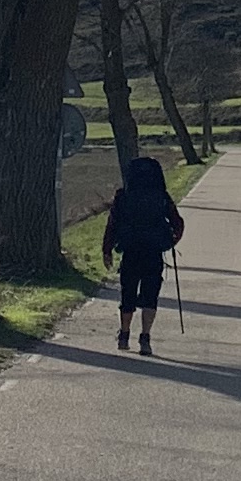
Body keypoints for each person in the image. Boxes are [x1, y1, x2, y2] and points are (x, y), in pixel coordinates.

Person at [100, 151, 183, 354]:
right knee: (150, 295)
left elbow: (112, 225)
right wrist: (170, 241)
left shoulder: (123, 196)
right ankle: (145, 338)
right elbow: (178, 223)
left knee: (127, 294)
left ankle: (124, 335)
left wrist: (107, 250)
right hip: (153, 253)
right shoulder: (162, 197)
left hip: (130, 251)